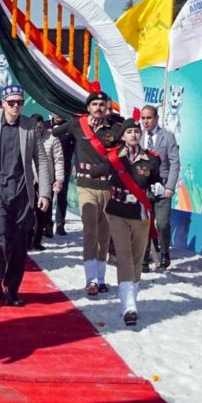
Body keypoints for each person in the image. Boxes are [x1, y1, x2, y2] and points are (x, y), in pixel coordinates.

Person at [0, 85, 52, 309]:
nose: (15, 106)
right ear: (3, 103)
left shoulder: (29, 127)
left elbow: (42, 161)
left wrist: (44, 192)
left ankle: (12, 289)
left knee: (18, 243)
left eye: (19, 103)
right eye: (11, 102)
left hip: (22, 192)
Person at [53, 91, 120, 296]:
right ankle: (90, 280)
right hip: (86, 186)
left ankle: (100, 279)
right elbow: (53, 135)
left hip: (108, 188)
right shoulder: (76, 124)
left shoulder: (116, 129)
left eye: (102, 104)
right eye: (95, 104)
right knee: (90, 231)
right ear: (88, 106)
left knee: (104, 235)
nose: (98, 107)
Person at [105, 118, 162, 326]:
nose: (133, 135)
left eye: (136, 132)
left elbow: (156, 179)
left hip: (140, 214)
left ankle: (130, 298)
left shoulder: (152, 160)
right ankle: (129, 306)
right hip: (118, 211)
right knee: (125, 256)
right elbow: (98, 171)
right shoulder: (113, 158)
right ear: (122, 136)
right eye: (129, 132)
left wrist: (159, 187)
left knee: (138, 258)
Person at [139, 105, 180, 270]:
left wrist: (170, 186)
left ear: (156, 118)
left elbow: (175, 163)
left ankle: (164, 252)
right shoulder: (139, 136)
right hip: (144, 187)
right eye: (143, 118)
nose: (145, 122)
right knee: (144, 223)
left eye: (148, 118)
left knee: (162, 224)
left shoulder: (168, 136)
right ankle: (143, 258)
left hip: (163, 186)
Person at [31, 114, 65, 251]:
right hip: (29, 180)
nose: (36, 130)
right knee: (28, 212)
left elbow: (59, 160)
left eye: (39, 127)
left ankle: (37, 241)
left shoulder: (52, 139)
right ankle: (27, 239)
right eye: (34, 128)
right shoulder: (26, 137)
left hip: (46, 181)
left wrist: (59, 180)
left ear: (43, 126)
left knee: (42, 213)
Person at [48, 113, 73, 236]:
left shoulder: (69, 127)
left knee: (62, 195)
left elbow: (75, 147)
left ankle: (60, 224)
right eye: (55, 112)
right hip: (47, 167)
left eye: (60, 112)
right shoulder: (46, 125)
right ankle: (47, 224)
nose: (58, 114)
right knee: (48, 195)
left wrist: (75, 164)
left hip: (64, 166)